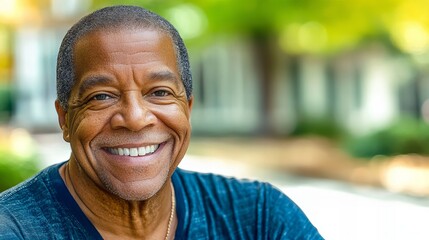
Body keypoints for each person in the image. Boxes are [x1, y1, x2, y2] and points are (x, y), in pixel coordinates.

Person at [0, 5, 323, 239]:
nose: (136, 118)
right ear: (65, 118)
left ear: (188, 108)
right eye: (102, 96)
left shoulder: (259, 218)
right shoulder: (13, 228)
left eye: (159, 92)